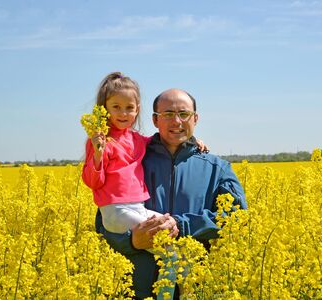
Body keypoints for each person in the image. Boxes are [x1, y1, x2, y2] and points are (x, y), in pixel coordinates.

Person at [95, 88, 247, 299]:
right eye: (167, 114)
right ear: (155, 120)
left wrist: (182, 225)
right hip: (137, 292)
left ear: (195, 118)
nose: (176, 121)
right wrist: (131, 242)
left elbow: (237, 219)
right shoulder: (132, 159)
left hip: (196, 290)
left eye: (183, 114)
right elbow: (105, 220)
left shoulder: (217, 169)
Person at [82, 72, 188, 299]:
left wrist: (192, 141)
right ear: (104, 109)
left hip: (137, 207)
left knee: (172, 234)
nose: (123, 113)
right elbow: (93, 182)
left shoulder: (137, 139)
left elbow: (162, 140)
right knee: (171, 255)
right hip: (115, 210)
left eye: (129, 107)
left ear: (137, 109)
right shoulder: (101, 140)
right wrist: (98, 153)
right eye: (116, 107)